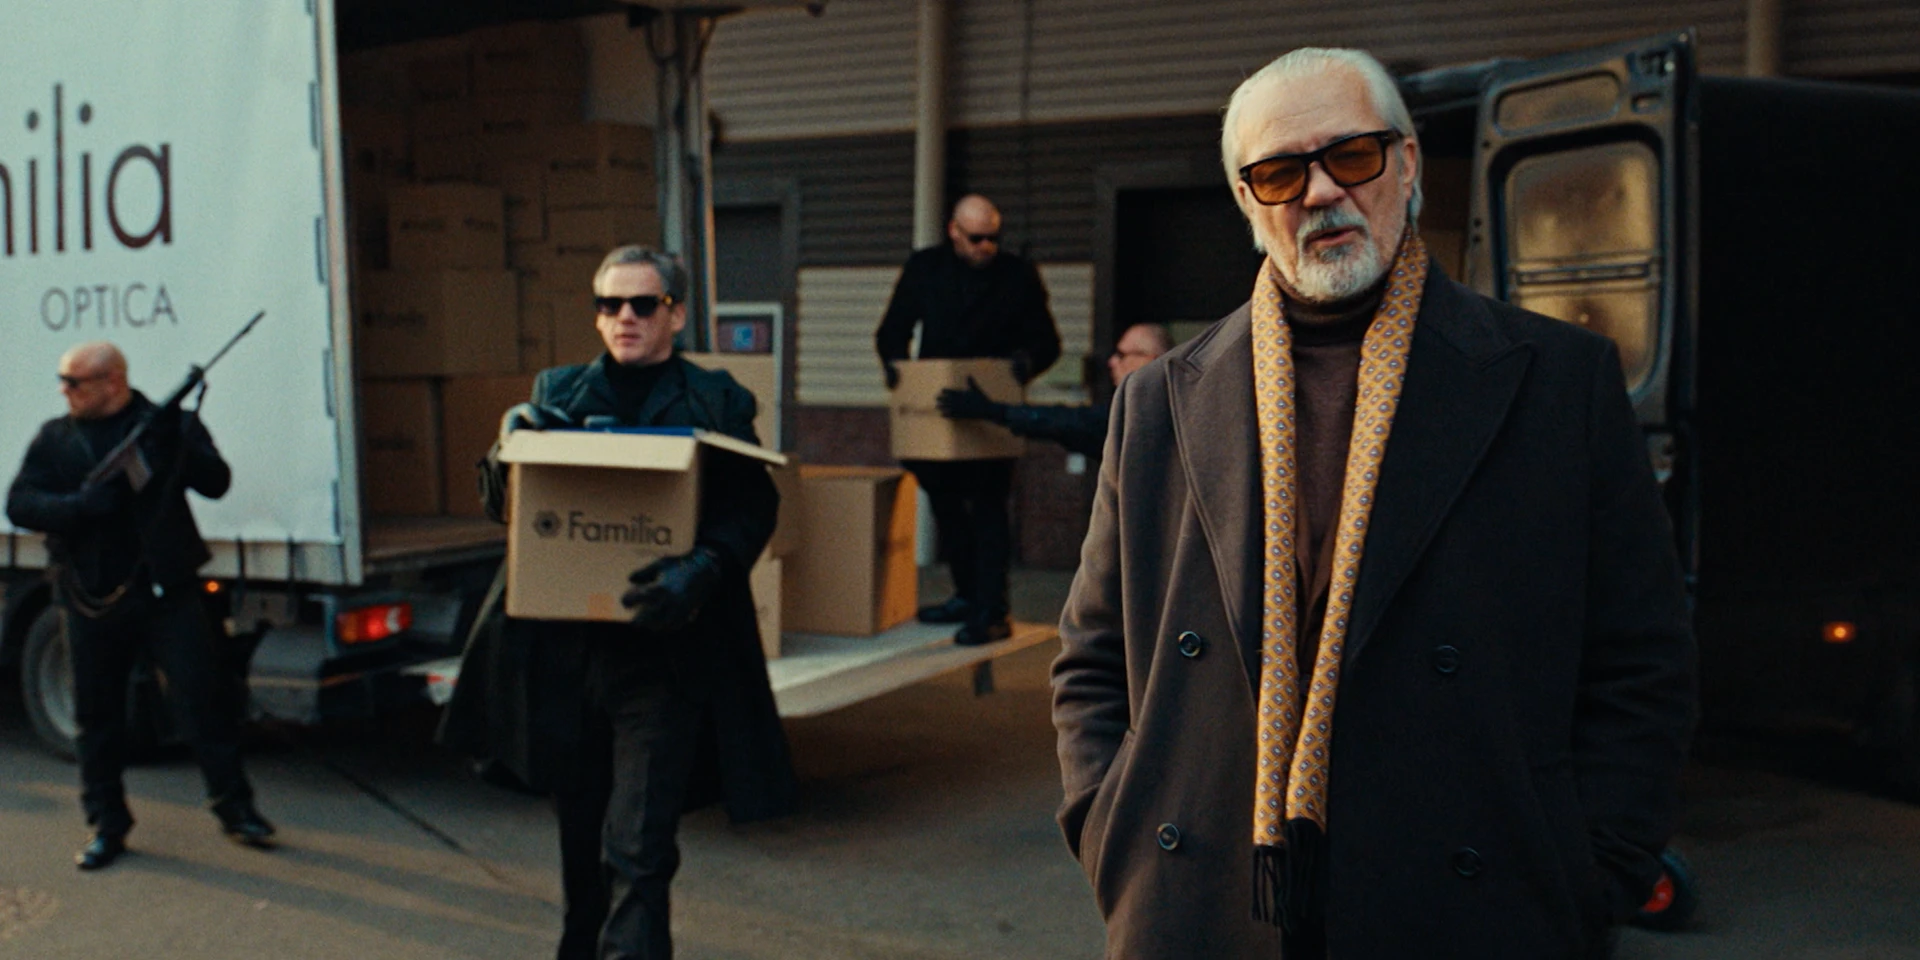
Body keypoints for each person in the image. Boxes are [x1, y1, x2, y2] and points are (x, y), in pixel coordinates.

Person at [1050, 47, 1695, 960]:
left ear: (1409, 165)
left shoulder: (1558, 383)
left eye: (1350, 156)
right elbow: (1091, 654)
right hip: (1201, 904)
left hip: (1473, 904)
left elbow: (1642, 660)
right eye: (1279, 173)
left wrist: (1590, 868)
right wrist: (1111, 827)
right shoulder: (1160, 402)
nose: (1319, 193)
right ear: (1248, 203)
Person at [440, 246, 795, 960]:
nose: (624, 317)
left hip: (664, 657)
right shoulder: (559, 391)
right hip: (567, 657)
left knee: (639, 845)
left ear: (677, 313)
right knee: (581, 843)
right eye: (610, 304)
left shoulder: (717, 397)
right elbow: (506, 508)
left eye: (642, 304)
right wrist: (503, 448)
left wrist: (705, 564)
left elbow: (754, 503)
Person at [5, 342, 274, 871]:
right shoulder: (56, 438)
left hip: (165, 592)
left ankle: (235, 809)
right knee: (96, 717)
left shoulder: (162, 426)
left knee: (204, 703)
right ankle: (107, 825)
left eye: (74, 381)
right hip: (90, 597)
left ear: (113, 383)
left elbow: (216, 483)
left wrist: (180, 441)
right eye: (63, 380)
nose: (64, 390)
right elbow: (19, 503)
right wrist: (77, 508)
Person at [875, 194, 1063, 645]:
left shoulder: (1017, 275)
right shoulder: (926, 268)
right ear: (954, 232)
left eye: (994, 238)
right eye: (976, 238)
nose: (986, 247)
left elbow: (1047, 341)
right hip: (936, 411)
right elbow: (892, 329)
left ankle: (992, 610)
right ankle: (965, 595)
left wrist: (1024, 363)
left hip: (989, 414)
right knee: (945, 507)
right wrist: (899, 371)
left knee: (988, 511)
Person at [935, 323, 1171, 458]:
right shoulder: (1157, 407)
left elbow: (1076, 423)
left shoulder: (1154, 412)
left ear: (1150, 361)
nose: (1112, 362)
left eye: (1122, 355)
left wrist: (995, 412)